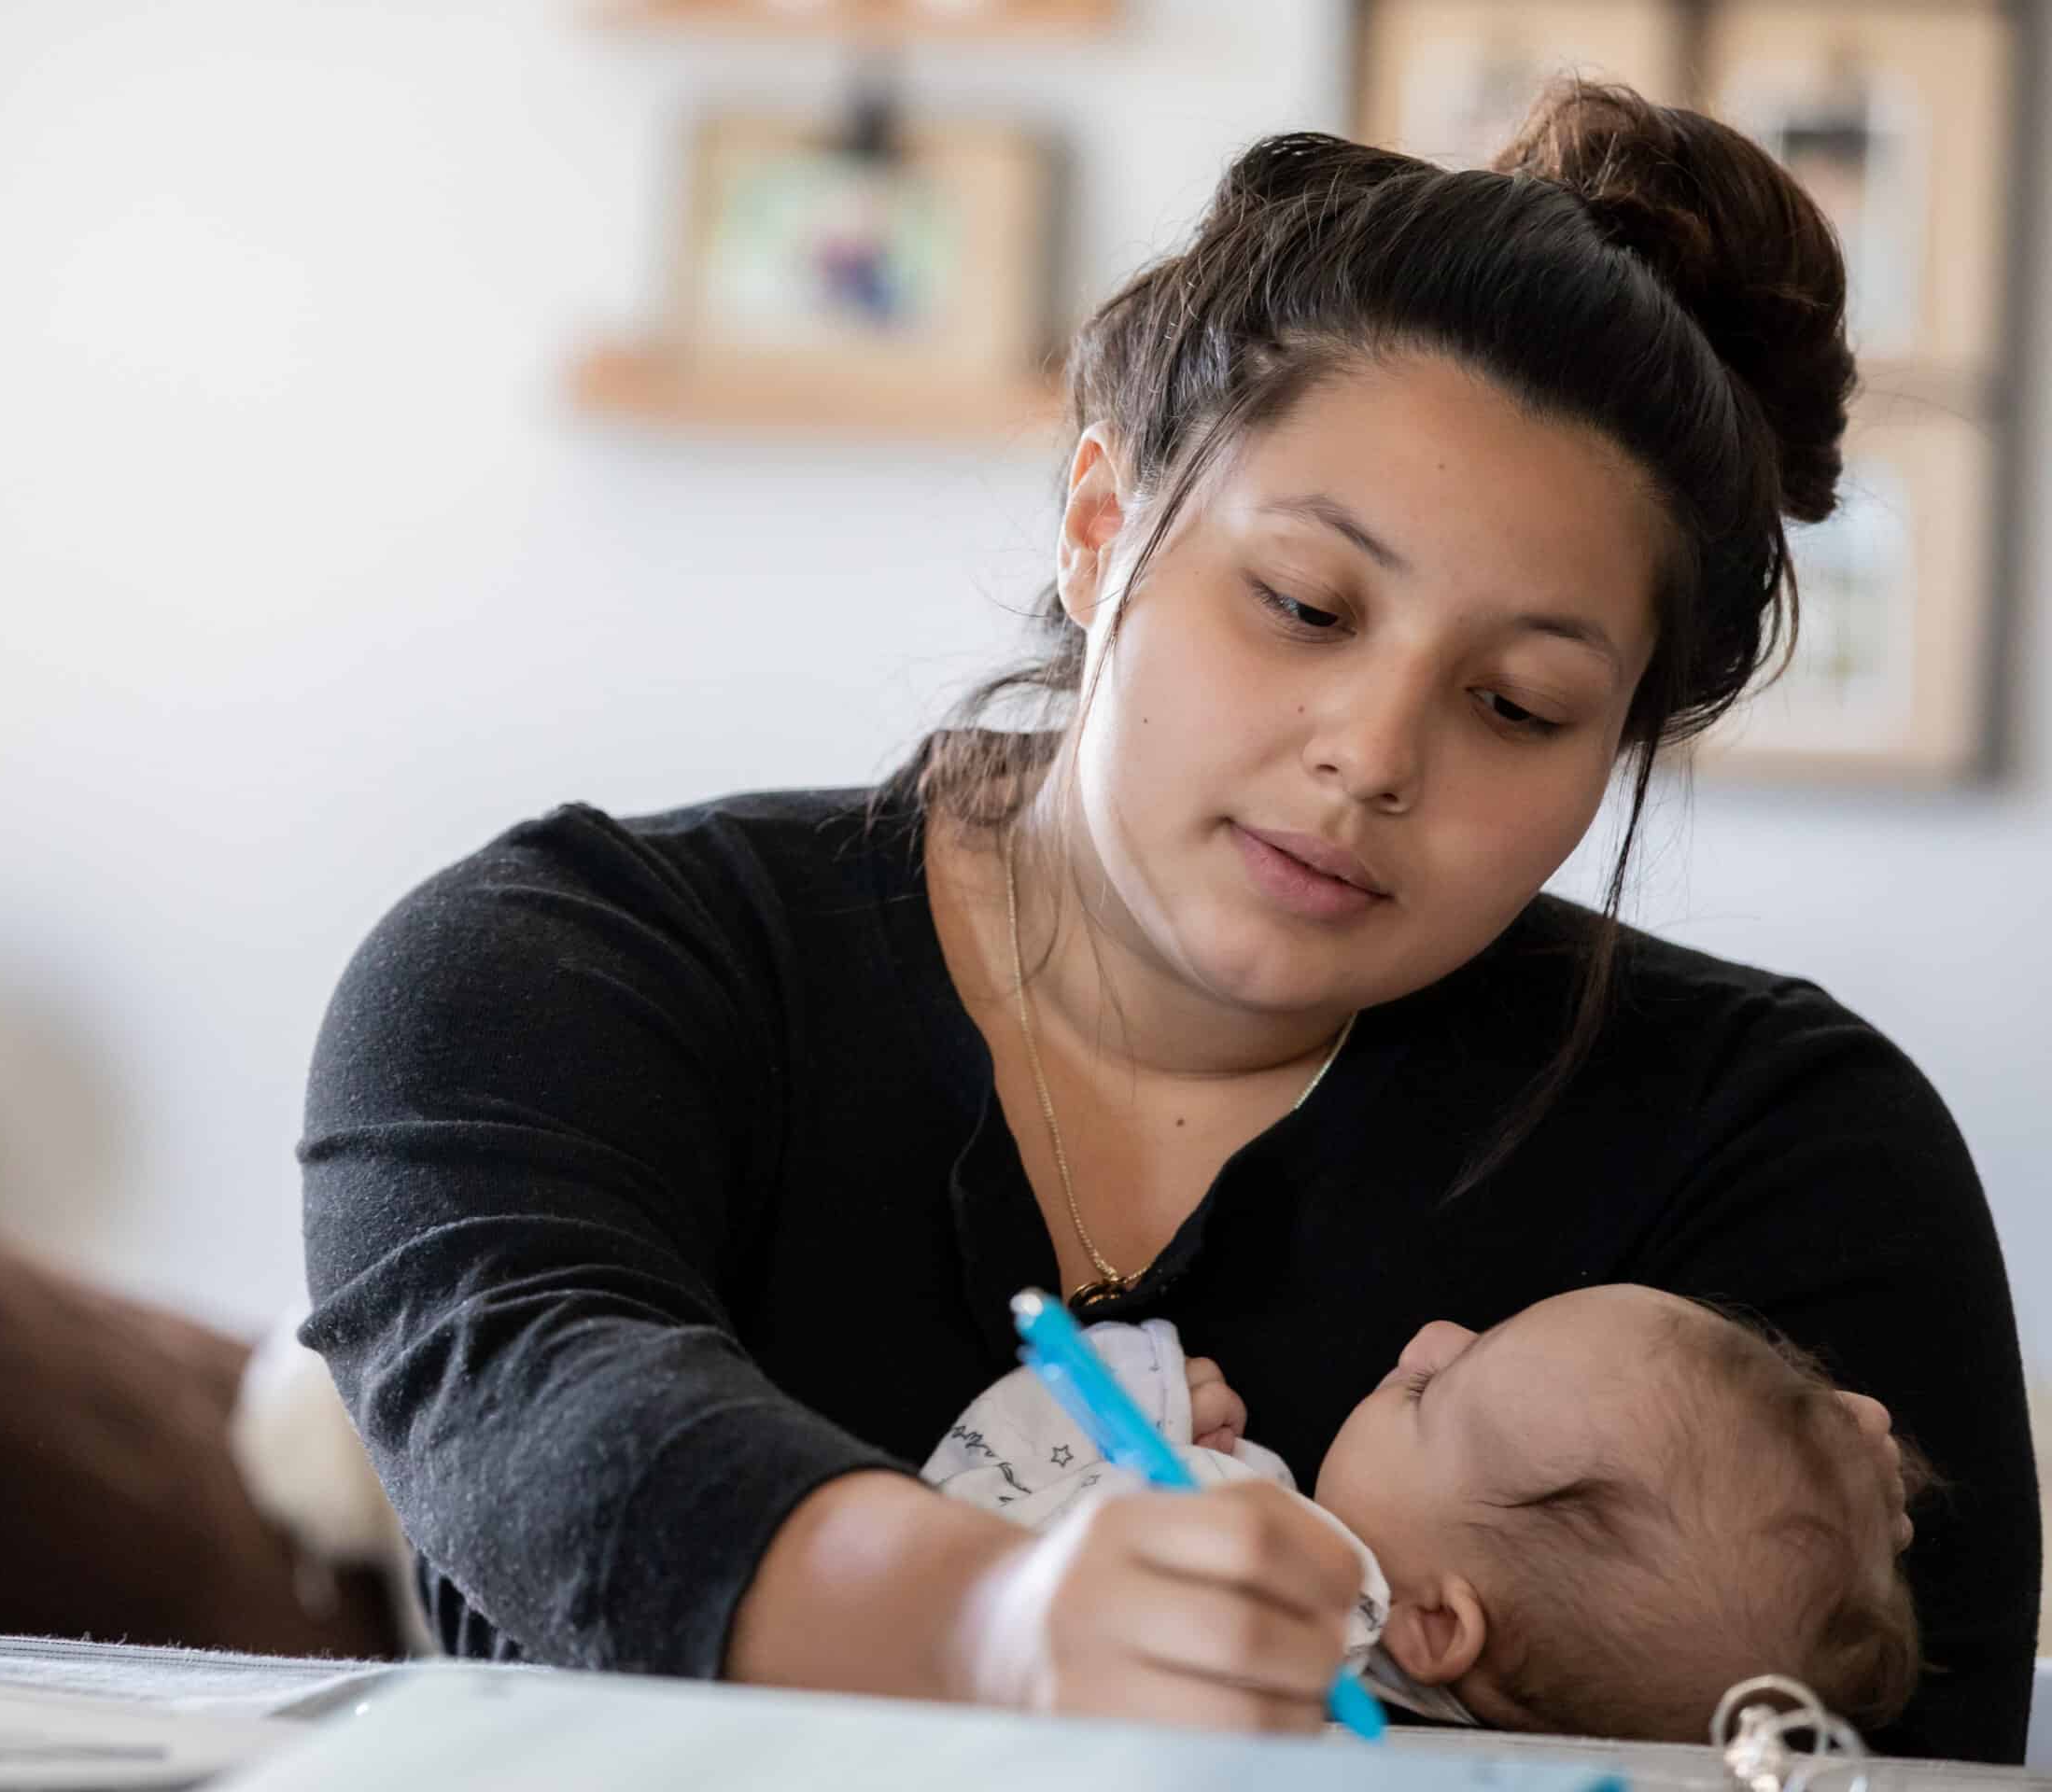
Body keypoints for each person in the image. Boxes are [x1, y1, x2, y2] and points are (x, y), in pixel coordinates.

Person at [296, 80, 2042, 1761]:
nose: (1370, 755)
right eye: (1300, 604)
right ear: (1102, 525)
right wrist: (999, 1630)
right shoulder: (570, 968)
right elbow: (539, 1422)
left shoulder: (1781, 1147)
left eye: (1517, 704)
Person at [930, 1285, 1925, 1742]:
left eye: (1432, 1394)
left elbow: (969, 1525)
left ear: (1437, 1625)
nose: (1429, 1336)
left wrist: (1135, 1391)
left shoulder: (1275, 1570)